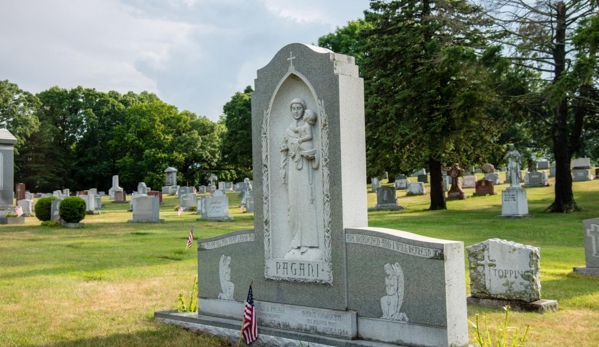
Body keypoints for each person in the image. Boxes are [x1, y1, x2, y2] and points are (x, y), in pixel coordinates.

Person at [280, 98, 321, 260]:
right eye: (293, 108)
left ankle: (309, 243)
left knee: (306, 203)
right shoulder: (288, 130)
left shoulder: (307, 128)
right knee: (294, 204)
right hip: (293, 170)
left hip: (305, 171)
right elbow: (283, 149)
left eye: (299, 108)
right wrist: (282, 168)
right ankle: (295, 242)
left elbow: (313, 147)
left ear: (303, 110)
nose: (296, 111)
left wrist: (304, 151)